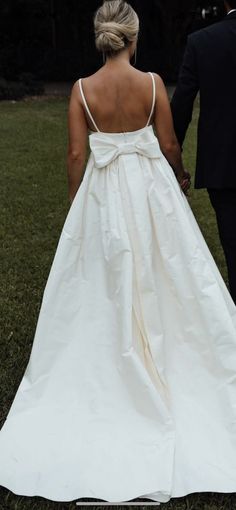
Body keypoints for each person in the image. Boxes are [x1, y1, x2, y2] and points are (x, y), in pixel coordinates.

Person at [0, 0, 236, 505]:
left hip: (105, 195)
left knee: (101, 285)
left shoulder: (83, 91)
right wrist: (177, 175)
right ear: (133, 36)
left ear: (99, 36)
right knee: (171, 275)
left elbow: (76, 154)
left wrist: (76, 200)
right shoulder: (152, 84)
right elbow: (170, 143)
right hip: (151, 196)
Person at [171, 0, 236, 304]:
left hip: (223, 164)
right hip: (222, 165)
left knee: (233, 246)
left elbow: (182, 103)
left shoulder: (203, 42)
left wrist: (171, 158)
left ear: (225, 2)